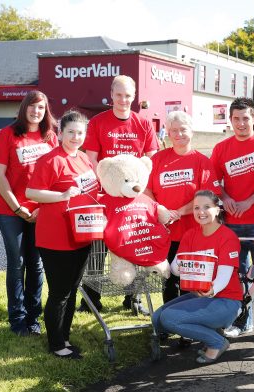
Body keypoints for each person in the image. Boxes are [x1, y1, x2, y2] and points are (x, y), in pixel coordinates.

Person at [80, 74, 159, 315]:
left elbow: (150, 158)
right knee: (97, 247)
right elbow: (92, 158)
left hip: (132, 197)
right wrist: (108, 185)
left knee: (132, 245)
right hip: (104, 196)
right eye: (119, 95)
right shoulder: (98, 122)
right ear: (111, 95)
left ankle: (132, 299)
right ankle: (90, 300)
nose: (123, 100)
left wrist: (143, 191)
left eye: (128, 95)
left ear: (134, 97)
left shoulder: (143, 124)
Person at [26, 110, 99, 359]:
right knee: (60, 292)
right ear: (60, 133)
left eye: (80, 133)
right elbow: (32, 192)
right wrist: (61, 196)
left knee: (73, 287)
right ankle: (56, 344)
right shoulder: (51, 160)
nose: (76, 137)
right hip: (55, 237)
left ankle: (64, 336)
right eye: (71, 132)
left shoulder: (84, 160)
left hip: (81, 234)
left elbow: (91, 192)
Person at [210, 97, 254, 344]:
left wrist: (249, 201)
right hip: (232, 224)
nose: (241, 123)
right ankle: (241, 321)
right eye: (236, 119)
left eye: (246, 118)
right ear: (230, 120)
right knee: (236, 275)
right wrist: (225, 197)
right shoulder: (221, 148)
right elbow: (214, 182)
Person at [0, 90, 58, 336]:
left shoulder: (50, 137)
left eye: (41, 107)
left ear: (45, 111)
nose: (36, 111)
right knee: (17, 263)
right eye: (32, 106)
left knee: (36, 263)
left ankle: (33, 317)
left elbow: (55, 175)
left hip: (40, 210)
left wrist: (41, 207)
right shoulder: (8, 135)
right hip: (10, 210)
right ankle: (17, 319)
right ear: (24, 108)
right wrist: (18, 208)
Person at [152, 190, 242, 363]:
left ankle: (217, 342)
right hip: (199, 295)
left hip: (225, 300)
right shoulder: (190, 235)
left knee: (169, 318)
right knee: (158, 319)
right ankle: (213, 331)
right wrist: (183, 263)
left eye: (207, 207)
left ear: (218, 209)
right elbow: (176, 269)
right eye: (196, 208)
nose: (201, 212)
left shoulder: (227, 236)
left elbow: (224, 276)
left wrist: (211, 289)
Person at [144, 111, 221, 305]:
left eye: (183, 129)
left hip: (193, 233)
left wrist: (178, 212)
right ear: (167, 133)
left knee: (192, 282)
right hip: (165, 232)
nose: (178, 134)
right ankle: (169, 323)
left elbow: (208, 197)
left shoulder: (202, 162)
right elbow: (146, 190)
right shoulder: (158, 160)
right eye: (173, 130)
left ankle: (188, 324)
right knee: (168, 281)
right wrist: (160, 209)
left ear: (192, 131)